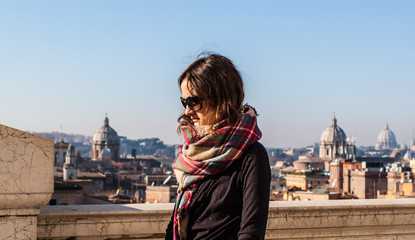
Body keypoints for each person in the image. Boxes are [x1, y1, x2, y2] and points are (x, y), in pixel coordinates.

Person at [165, 54, 271, 240]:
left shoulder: (252, 156)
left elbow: (251, 232)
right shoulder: (190, 155)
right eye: (184, 102)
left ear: (221, 99)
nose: (188, 111)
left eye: (194, 101)